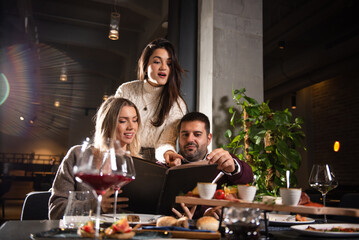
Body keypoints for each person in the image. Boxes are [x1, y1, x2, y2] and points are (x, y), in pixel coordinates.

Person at [49, 96, 141, 220]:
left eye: (134, 120)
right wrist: (95, 205)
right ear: (108, 124)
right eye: (123, 121)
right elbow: (56, 211)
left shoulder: (137, 165)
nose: (131, 127)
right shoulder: (78, 155)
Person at [115, 38, 187, 164]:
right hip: (122, 154)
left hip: (155, 162)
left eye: (169, 63)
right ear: (145, 65)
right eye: (157, 62)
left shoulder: (177, 103)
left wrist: (168, 153)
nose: (163, 67)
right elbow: (113, 128)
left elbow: (165, 142)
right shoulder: (126, 90)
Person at [172, 112, 254, 219]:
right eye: (185, 134)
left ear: (209, 138)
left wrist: (233, 167)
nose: (190, 140)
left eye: (197, 134)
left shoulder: (221, 162)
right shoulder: (170, 165)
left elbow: (248, 178)